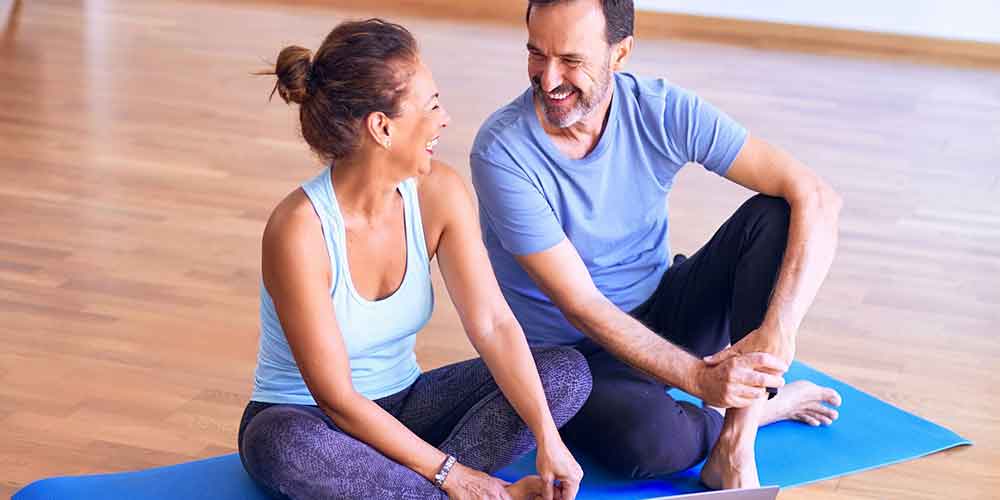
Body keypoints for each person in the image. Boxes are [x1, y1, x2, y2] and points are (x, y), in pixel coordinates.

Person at [470, 0, 843, 490]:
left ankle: (736, 441)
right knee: (651, 443)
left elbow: (817, 196)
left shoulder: (661, 109)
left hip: (666, 307)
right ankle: (765, 409)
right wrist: (701, 382)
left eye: (572, 60)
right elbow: (583, 307)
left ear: (620, 54)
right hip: (576, 356)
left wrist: (780, 329)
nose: (548, 78)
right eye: (536, 54)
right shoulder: (502, 153)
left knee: (776, 214)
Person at [239, 19, 592, 500]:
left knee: (565, 374)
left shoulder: (438, 192)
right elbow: (337, 398)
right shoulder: (299, 230)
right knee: (282, 447)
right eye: (431, 106)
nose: (444, 118)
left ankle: (399, 489)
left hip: (405, 404)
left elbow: (493, 324)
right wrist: (457, 476)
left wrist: (548, 439)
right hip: (310, 419)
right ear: (381, 127)